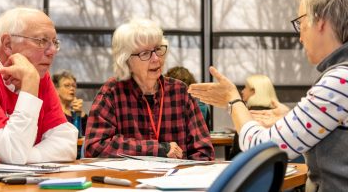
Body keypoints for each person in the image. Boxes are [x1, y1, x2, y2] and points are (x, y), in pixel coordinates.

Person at [189, 0, 348, 191]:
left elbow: (259, 146)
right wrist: (289, 118)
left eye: (301, 22)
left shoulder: (339, 81)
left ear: (321, 21)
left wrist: (233, 101)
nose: (300, 36)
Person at [0, 7, 78, 166]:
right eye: (41, 41)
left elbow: (67, 142)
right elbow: (15, 153)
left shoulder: (38, 74)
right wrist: (30, 84)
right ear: (8, 44)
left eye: (54, 42)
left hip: (9, 180)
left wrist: (26, 156)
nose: (52, 51)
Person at [84, 18, 214, 160]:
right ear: (126, 60)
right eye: (145, 53)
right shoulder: (112, 93)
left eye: (158, 49)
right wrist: (157, 149)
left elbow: (204, 151)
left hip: (174, 179)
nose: (156, 59)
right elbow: (95, 147)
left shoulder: (179, 92)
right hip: (126, 180)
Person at [229, 74, 278, 159]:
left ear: (254, 91)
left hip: (248, 167)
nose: (242, 91)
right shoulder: (279, 115)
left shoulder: (248, 115)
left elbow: (237, 152)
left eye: (245, 87)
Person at [52, 70, 87, 136]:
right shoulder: (52, 113)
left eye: (74, 86)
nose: (72, 88)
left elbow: (87, 134)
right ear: (56, 89)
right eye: (67, 85)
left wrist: (81, 114)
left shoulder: (75, 112)